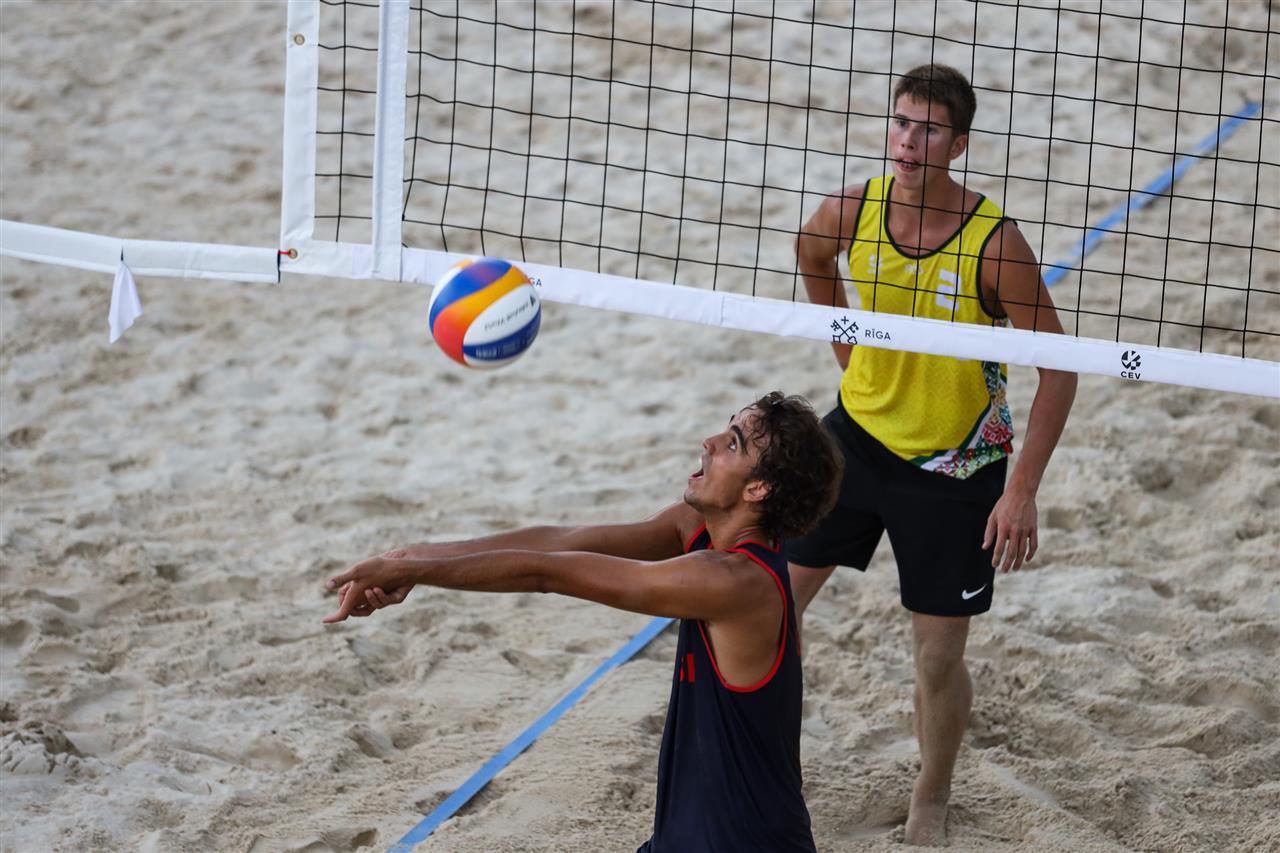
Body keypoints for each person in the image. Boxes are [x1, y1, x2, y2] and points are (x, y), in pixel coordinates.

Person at [322, 392, 843, 853]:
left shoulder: (735, 582)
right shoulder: (700, 528)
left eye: (732, 444)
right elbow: (561, 541)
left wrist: (416, 572)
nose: (707, 443)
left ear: (758, 489)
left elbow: (548, 572)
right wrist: (410, 557)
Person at [789, 64, 1078, 845]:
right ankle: (770, 758)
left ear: (958, 144)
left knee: (937, 658)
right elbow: (810, 254)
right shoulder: (854, 209)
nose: (909, 141)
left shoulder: (995, 243)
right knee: (771, 601)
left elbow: (1060, 369)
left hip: (958, 465)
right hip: (856, 438)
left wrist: (1021, 489)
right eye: (902, 122)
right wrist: (847, 348)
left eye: (929, 129)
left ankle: (933, 790)